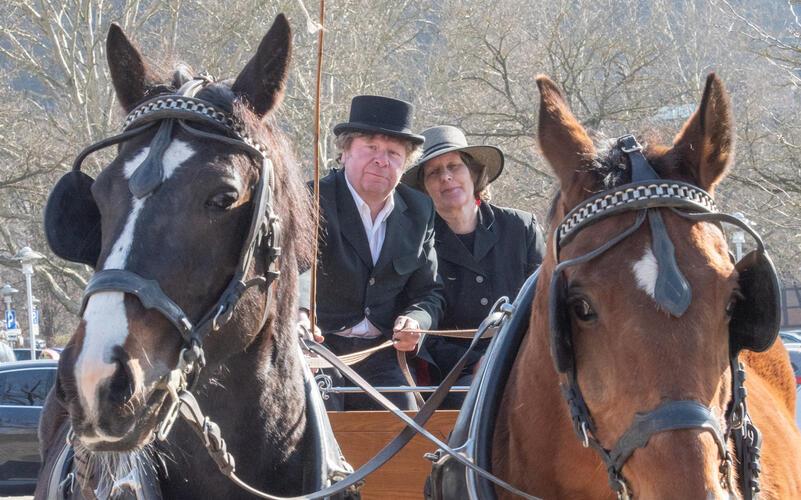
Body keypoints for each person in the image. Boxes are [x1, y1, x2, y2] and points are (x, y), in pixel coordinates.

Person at [299, 95, 444, 411]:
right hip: (317, 353)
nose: (382, 160)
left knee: (407, 437)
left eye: (394, 153)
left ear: (404, 164)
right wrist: (301, 316)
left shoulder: (420, 211)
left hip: (382, 356)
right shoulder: (310, 199)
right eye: (371, 148)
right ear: (346, 151)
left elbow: (429, 293)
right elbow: (290, 274)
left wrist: (416, 321)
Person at [401, 125, 545, 408]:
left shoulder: (521, 227)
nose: (446, 177)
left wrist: (510, 356)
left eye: (454, 166)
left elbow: (543, 301)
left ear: (474, 174)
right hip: (455, 375)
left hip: (526, 359)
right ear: (424, 188)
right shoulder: (416, 244)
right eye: (434, 172)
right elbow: (421, 320)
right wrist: (473, 363)